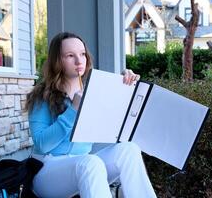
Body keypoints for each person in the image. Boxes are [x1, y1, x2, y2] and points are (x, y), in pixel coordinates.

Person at [26, 32, 157, 198]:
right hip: (46, 170)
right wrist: (72, 111)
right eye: (70, 55)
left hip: (83, 165)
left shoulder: (94, 92)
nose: (79, 61)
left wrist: (124, 88)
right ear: (57, 61)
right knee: (90, 162)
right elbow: (42, 144)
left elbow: (114, 128)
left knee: (129, 149)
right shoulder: (42, 95)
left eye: (82, 54)